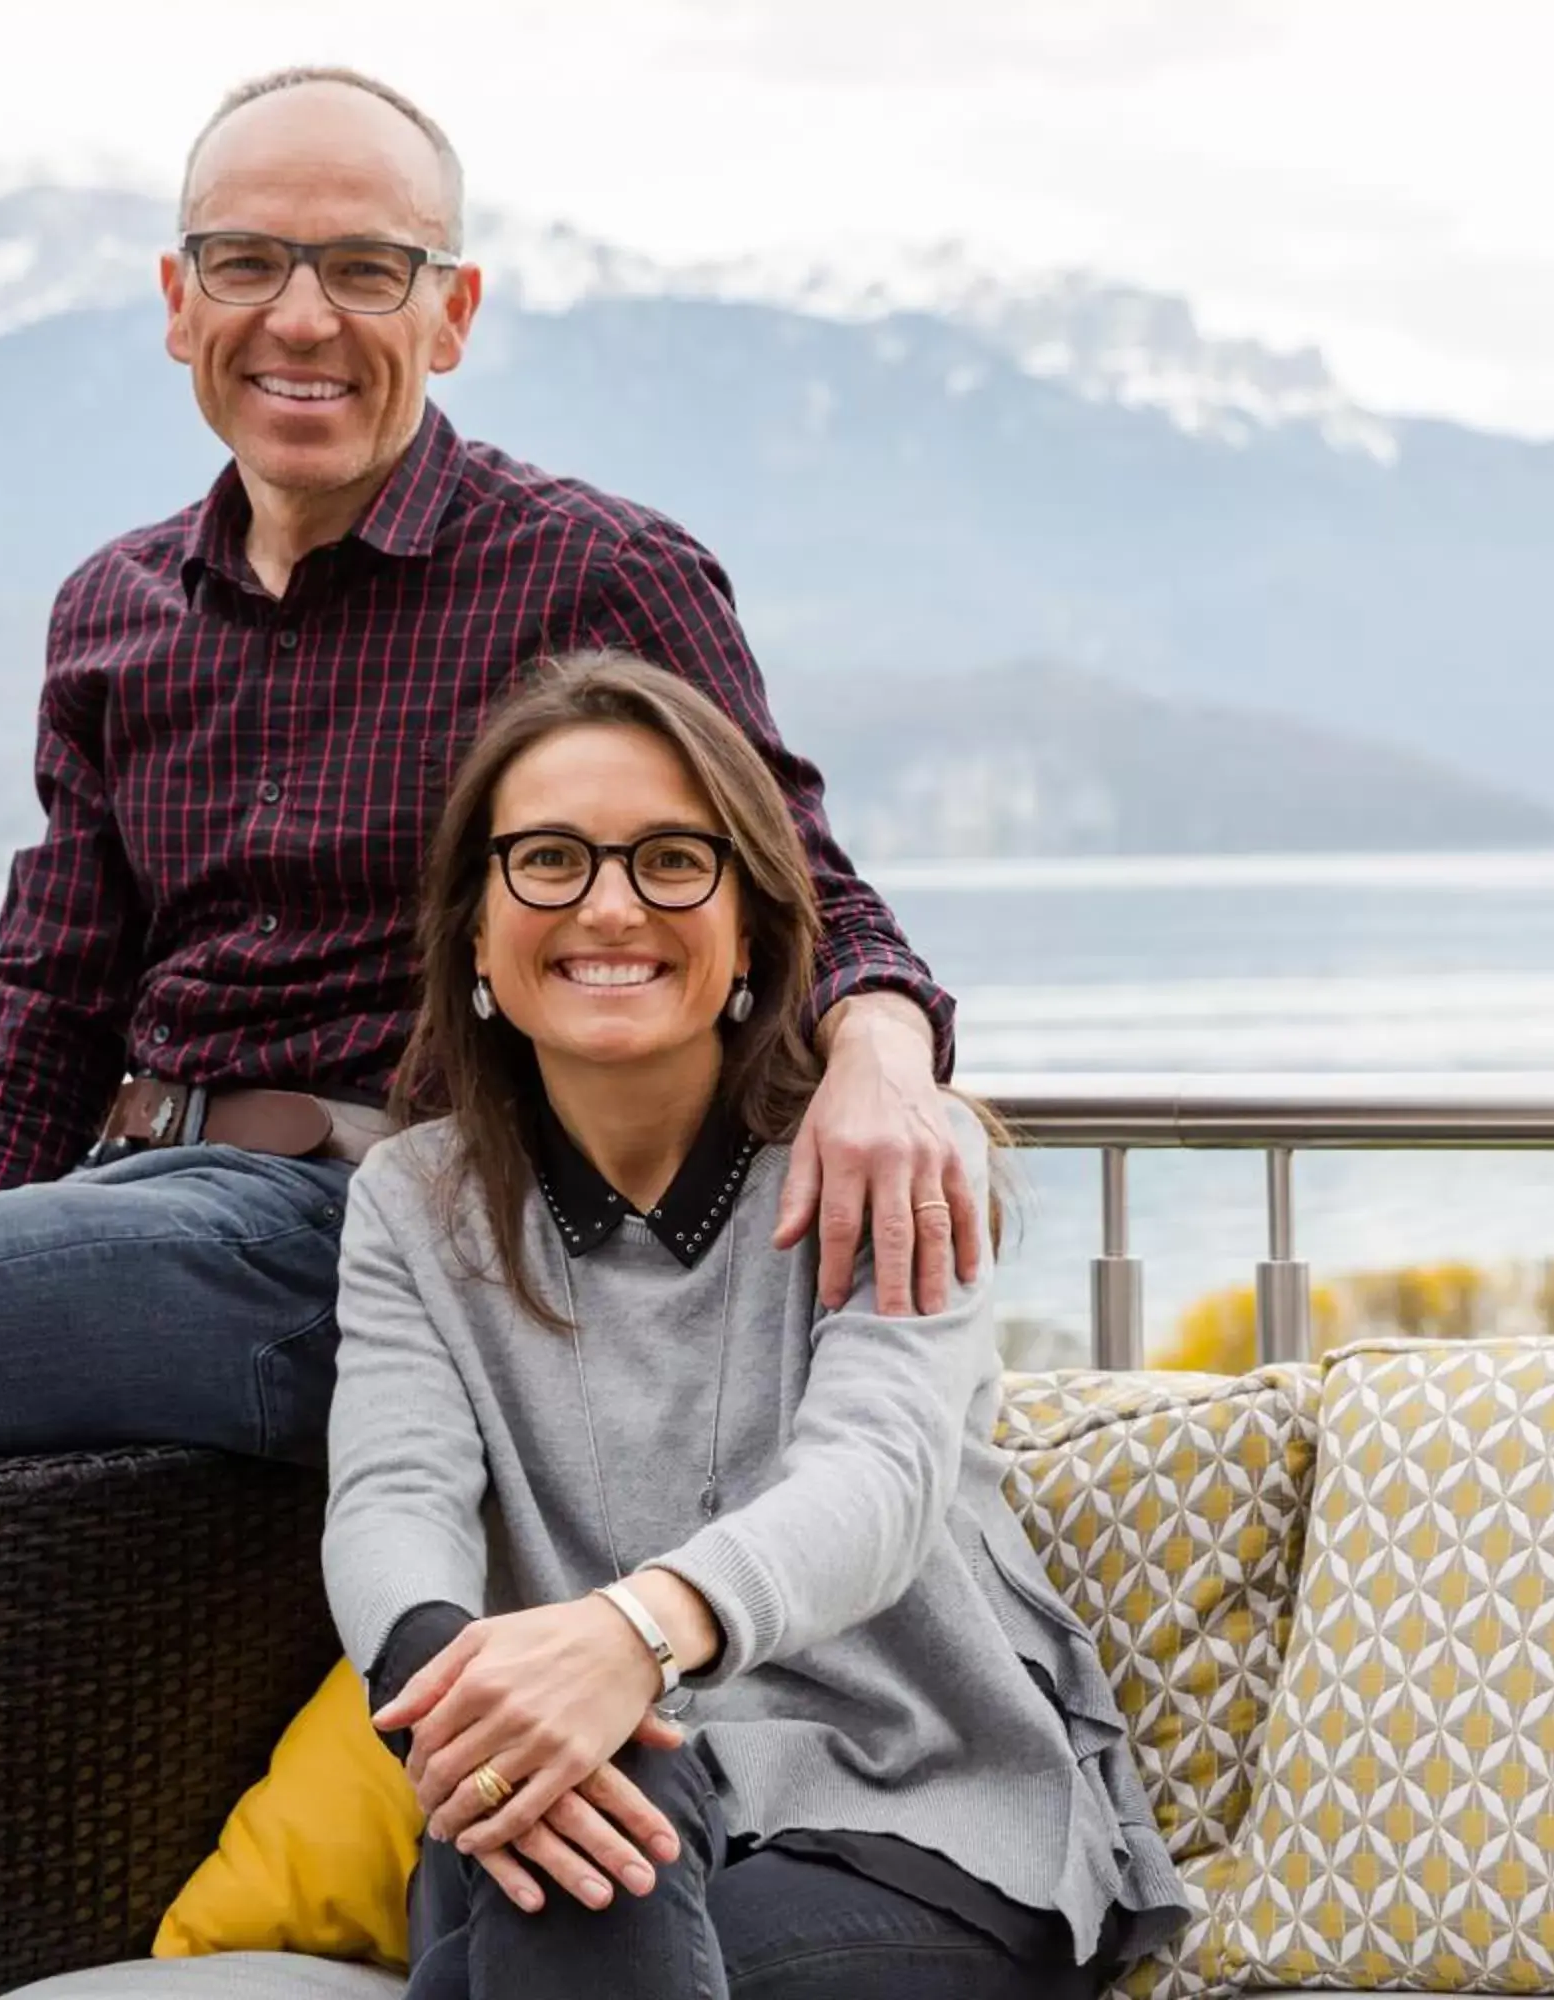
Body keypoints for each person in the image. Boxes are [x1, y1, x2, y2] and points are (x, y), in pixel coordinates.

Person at [0, 68, 968, 1974]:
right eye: (250, 262)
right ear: (176, 299)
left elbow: (796, 879)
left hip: (361, 1237)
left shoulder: (589, 571)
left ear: (449, 313)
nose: (302, 316)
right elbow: (40, 1008)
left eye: (366, 269)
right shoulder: (114, 609)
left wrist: (886, 1046)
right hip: (125, 1221)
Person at [324, 652, 1184, 1997]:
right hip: (564, 1774)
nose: (609, 907)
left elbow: (877, 1480)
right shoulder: (415, 1203)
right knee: (584, 1835)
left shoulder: (883, 1154)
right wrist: (462, 1688)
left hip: (905, 1811)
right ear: (475, 930)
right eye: (548, 860)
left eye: (673, 860)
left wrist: (631, 1639)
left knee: (575, 1878)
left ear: (751, 929)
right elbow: (391, 1493)